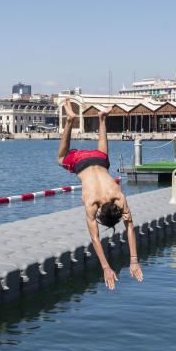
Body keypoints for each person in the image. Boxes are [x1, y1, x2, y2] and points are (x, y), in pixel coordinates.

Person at [57, 101, 144, 290]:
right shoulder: (92, 203)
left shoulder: (119, 198)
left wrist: (134, 260)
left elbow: (130, 226)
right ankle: (70, 121)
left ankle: (102, 118)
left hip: (98, 159)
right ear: (100, 214)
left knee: (103, 154)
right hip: (80, 163)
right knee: (61, 159)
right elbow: (95, 239)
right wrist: (107, 267)